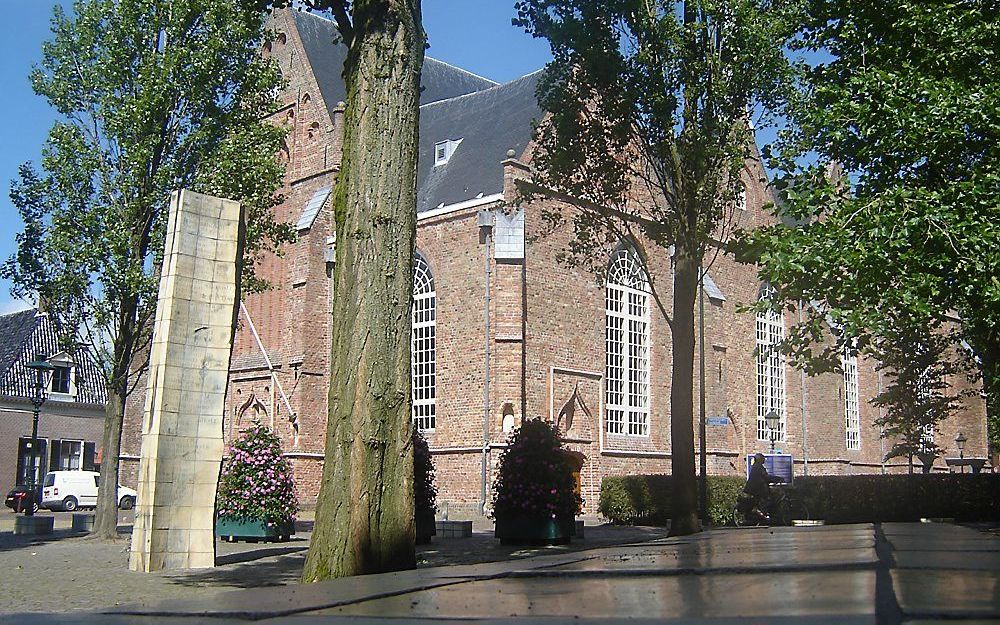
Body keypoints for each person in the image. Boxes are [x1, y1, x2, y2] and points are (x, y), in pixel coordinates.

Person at [743, 453, 772, 522]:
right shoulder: (759, 467)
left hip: (752, 489)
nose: (764, 460)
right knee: (767, 499)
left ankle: (759, 512)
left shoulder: (755, 466)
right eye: (763, 458)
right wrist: (776, 479)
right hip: (757, 489)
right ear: (760, 459)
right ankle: (762, 513)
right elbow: (765, 476)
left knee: (759, 500)